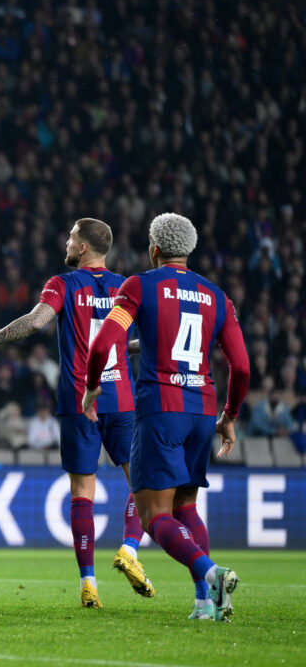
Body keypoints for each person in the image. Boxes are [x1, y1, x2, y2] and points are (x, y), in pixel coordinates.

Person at [0, 218, 153, 608]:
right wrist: (123, 351)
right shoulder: (126, 286)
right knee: (141, 484)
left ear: (82, 247)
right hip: (122, 399)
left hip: (80, 400)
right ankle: (129, 550)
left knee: (83, 492)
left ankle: (88, 583)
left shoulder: (63, 284)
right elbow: (136, 340)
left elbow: (34, 322)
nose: (66, 242)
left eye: (70, 237)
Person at [83, 212, 250, 622]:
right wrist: (229, 416)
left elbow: (103, 342)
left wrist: (91, 389)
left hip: (160, 410)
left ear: (154, 248)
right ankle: (204, 603)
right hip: (202, 411)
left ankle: (211, 573)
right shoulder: (217, 296)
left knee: (153, 515)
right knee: (187, 507)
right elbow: (242, 367)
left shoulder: (139, 285)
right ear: (188, 251)